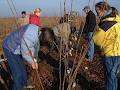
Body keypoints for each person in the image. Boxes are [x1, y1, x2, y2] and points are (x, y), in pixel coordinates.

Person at [2, 8, 42, 90]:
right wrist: (32, 62)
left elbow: (31, 46)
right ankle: (17, 87)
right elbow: (25, 51)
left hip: (17, 47)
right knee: (17, 73)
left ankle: (25, 84)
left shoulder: (37, 32)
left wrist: (33, 59)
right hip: (10, 48)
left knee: (22, 68)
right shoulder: (31, 34)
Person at [93, 1, 120, 90]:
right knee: (113, 76)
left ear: (103, 10)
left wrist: (97, 30)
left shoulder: (106, 24)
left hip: (110, 53)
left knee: (109, 77)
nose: (97, 15)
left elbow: (97, 40)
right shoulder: (117, 20)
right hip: (118, 53)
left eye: (97, 12)